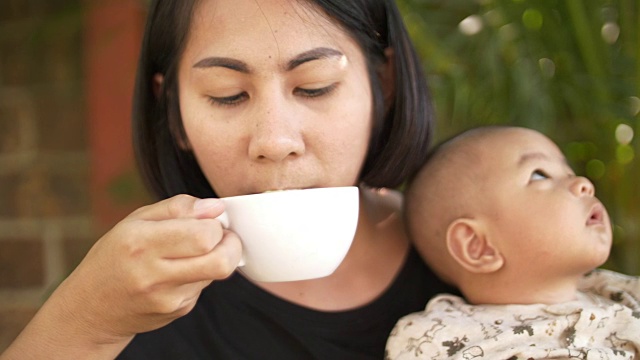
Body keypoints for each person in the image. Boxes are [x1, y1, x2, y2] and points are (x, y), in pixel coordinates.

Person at [1, 0, 455, 359]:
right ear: (173, 111)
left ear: (384, 83)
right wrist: (84, 324)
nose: (275, 140)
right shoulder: (132, 305)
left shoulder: (480, 242)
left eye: (314, 86)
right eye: (228, 95)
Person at [386, 126, 640, 359]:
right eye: (540, 175)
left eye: (569, 172)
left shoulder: (621, 294)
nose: (583, 184)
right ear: (478, 246)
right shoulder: (438, 337)